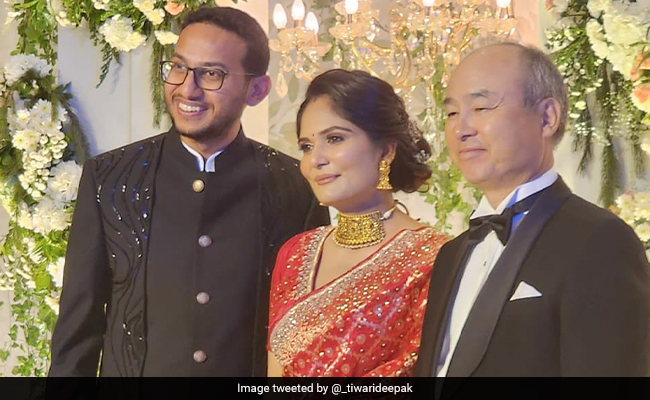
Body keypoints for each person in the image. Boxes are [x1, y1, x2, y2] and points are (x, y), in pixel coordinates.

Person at [49, 6, 329, 377]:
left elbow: (308, 334)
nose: (186, 88)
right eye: (179, 67)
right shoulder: (110, 178)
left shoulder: (296, 186)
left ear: (257, 90)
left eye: (211, 74)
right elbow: (76, 335)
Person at [415, 42, 650, 377]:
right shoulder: (451, 254)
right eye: (452, 113)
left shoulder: (599, 240)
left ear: (547, 117)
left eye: (481, 107)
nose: (461, 129)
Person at [266, 69, 448, 377]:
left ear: (386, 150)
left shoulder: (435, 259)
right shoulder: (296, 253)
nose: (315, 160)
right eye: (306, 146)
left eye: (334, 139)